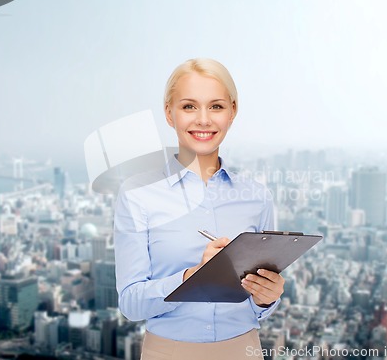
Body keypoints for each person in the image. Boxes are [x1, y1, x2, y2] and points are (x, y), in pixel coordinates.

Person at [114, 58, 285, 360]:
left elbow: (260, 306)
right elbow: (130, 303)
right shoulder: (138, 195)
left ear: (233, 111)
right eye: (189, 106)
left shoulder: (257, 197)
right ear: (169, 113)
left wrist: (266, 298)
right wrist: (193, 277)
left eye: (216, 106)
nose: (204, 120)